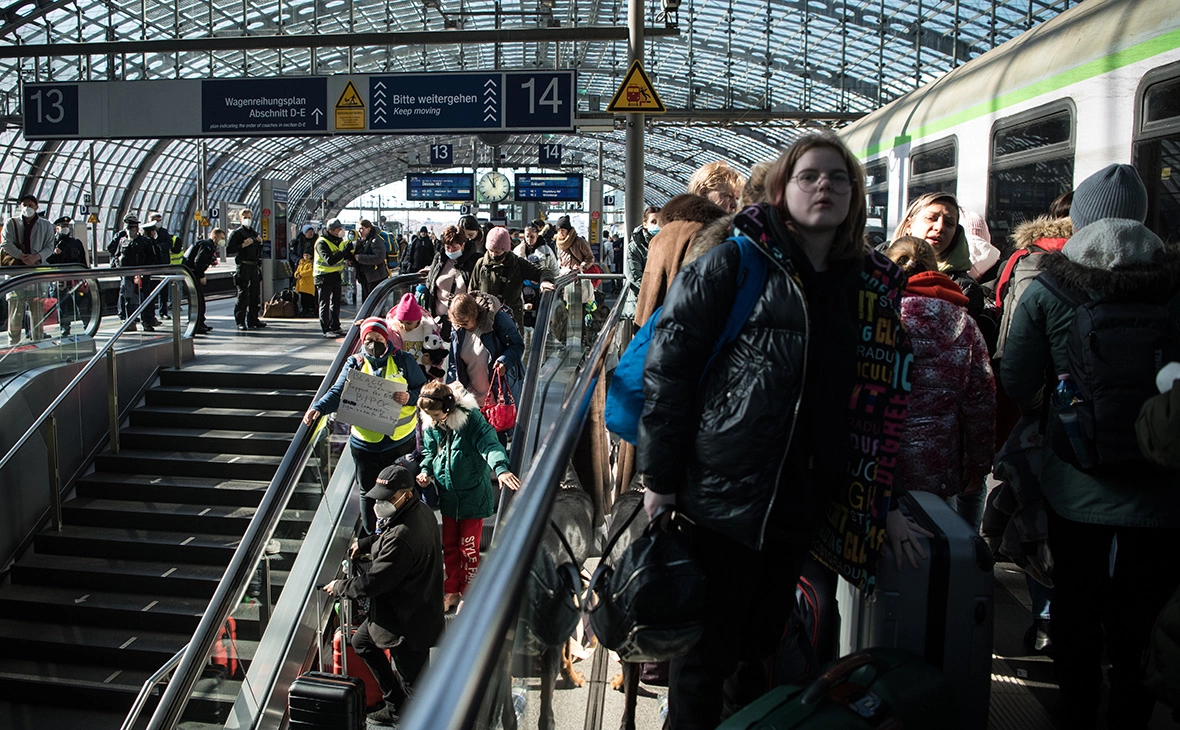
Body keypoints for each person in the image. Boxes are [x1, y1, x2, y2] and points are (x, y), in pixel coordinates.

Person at [635, 134, 926, 729]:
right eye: (809, 176)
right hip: (722, 496)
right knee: (704, 661)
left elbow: (877, 404)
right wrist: (659, 480)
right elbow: (670, 372)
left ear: (855, 197)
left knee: (763, 645)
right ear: (780, 191)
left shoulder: (867, 287)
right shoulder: (734, 262)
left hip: (801, 498)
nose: (825, 186)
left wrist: (886, 502)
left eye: (838, 178)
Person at [1001, 164, 1180, 729]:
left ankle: (1076, 706)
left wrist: (1054, 411)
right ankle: (1131, 708)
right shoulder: (1173, 284)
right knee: (1144, 604)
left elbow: (1017, 377)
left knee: (1077, 595)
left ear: (1077, 218)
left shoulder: (1051, 284)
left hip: (1073, 478)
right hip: (1162, 485)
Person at [884, 236, 995, 529]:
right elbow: (981, 400)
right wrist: (978, 464)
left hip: (881, 458)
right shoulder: (965, 324)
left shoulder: (878, 316)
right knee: (936, 546)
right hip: (939, 461)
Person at [323, 464, 444, 727]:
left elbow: (374, 581)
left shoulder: (404, 536)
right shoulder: (419, 512)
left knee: (417, 685)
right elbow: (385, 537)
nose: (379, 504)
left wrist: (340, 587)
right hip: (404, 609)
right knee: (362, 642)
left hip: (408, 624)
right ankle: (396, 706)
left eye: (386, 498)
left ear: (406, 495)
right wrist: (365, 544)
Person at [303, 317, 428, 536]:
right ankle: (373, 537)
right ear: (363, 340)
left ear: (386, 338)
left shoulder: (403, 361)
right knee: (367, 491)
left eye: (378, 338)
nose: (373, 343)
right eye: (369, 339)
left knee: (401, 489)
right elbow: (337, 392)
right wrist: (318, 408)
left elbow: (423, 390)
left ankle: (404, 532)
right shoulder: (355, 363)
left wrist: (409, 397)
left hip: (398, 443)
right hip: (365, 445)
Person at [416, 381, 520, 612]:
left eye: (435, 414)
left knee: (468, 547)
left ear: (448, 408)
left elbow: (488, 443)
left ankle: (469, 592)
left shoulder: (470, 419)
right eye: (428, 415)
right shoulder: (433, 424)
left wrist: (500, 468)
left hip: (473, 495)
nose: (432, 419)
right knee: (450, 546)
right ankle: (452, 589)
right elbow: (429, 452)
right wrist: (425, 471)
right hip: (449, 497)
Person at [892, 192, 998, 350]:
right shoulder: (876, 264)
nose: (940, 227)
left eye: (949, 223)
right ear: (909, 224)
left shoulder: (964, 288)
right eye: (931, 218)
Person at [446, 291, 524, 406]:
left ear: (475, 313)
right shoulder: (458, 330)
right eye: (457, 324)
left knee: (505, 423)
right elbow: (454, 364)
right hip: (472, 399)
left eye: (465, 323)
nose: (461, 327)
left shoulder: (498, 320)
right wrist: (451, 389)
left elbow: (518, 345)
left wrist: (504, 361)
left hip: (501, 394)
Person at [471, 227, 556, 333]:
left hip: (511, 320)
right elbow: (472, 291)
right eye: (490, 251)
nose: (493, 255)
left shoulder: (517, 264)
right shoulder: (481, 264)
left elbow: (542, 271)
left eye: (497, 252)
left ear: (505, 250)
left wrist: (545, 281)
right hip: (486, 319)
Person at [3, 193, 55, 345]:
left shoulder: (46, 225)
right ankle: (14, 346)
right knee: (15, 313)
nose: (27, 208)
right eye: (24, 205)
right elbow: (5, 244)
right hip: (16, 275)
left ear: (37, 207)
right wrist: (22, 256)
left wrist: (36, 257)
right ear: (20, 207)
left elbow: (50, 246)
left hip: (36, 274)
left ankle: (38, 343)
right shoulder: (11, 223)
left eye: (30, 205)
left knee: (37, 313)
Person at [422, 225, 478, 338]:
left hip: (463, 324)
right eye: (447, 247)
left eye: (454, 247)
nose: (451, 250)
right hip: (438, 321)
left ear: (463, 245)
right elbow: (431, 284)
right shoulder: (439, 259)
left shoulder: (474, 262)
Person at [46, 216, 89, 337]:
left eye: (66, 226)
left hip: (75, 279)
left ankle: (87, 325)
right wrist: (54, 253)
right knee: (62, 305)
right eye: (62, 226)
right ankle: (65, 328)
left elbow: (82, 261)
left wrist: (85, 276)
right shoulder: (51, 244)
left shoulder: (75, 243)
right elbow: (47, 261)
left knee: (81, 303)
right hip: (59, 280)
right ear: (57, 228)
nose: (65, 228)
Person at [110, 215, 154, 332]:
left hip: (142, 276)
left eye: (132, 228)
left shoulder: (145, 242)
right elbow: (116, 256)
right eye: (128, 228)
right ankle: (130, 322)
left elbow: (151, 259)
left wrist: (145, 273)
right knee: (128, 299)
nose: (130, 231)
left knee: (145, 299)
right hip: (127, 275)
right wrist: (118, 267)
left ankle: (147, 322)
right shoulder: (122, 241)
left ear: (137, 229)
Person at [387, 292, 445, 379]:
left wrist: (431, 360)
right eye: (401, 322)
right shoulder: (394, 330)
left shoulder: (429, 329)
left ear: (418, 320)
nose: (404, 326)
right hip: (402, 374)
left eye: (409, 323)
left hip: (424, 374)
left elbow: (440, 351)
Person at [226, 208, 265, 331]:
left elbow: (259, 251)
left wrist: (260, 243)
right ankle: (240, 321)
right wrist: (242, 245)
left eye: (249, 217)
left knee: (255, 294)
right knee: (243, 294)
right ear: (240, 219)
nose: (247, 220)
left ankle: (253, 319)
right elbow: (229, 249)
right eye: (245, 217)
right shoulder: (237, 233)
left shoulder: (254, 233)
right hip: (243, 266)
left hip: (254, 266)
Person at [621, 206, 661, 320]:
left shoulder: (668, 244)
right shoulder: (635, 247)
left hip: (662, 303)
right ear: (645, 224)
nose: (657, 225)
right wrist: (657, 290)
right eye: (653, 221)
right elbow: (634, 276)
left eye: (660, 222)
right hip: (639, 301)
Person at [314, 219, 351, 338]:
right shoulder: (322, 242)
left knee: (336, 302)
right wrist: (345, 251)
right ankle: (326, 328)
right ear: (330, 231)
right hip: (323, 276)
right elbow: (329, 260)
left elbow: (343, 255)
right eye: (338, 229)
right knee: (324, 302)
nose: (341, 231)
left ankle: (336, 326)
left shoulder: (339, 240)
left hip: (336, 275)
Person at [183, 227, 221, 335]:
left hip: (190, 272)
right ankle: (197, 324)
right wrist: (201, 276)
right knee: (197, 299)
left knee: (199, 299)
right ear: (214, 237)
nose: (223, 240)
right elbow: (198, 261)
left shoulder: (208, 245)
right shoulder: (207, 245)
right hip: (192, 273)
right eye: (221, 238)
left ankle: (200, 322)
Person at [150, 211, 182, 317]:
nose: (158, 222)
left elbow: (169, 243)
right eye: (156, 220)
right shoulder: (146, 231)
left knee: (163, 289)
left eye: (160, 220)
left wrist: (159, 247)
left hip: (164, 263)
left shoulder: (164, 232)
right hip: (152, 264)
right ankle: (149, 313)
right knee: (150, 290)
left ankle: (163, 312)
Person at [351, 219, 390, 304]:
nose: (359, 231)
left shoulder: (376, 240)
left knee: (374, 303)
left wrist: (360, 258)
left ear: (368, 228)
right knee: (367, 302)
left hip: (376, 277)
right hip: (366, 276)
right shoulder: (363, 240)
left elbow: (379, 257)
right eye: (358, 229)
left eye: (362, 229)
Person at [139, 220, 166, 328]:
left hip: (152, 273)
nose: (155, 233)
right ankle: (146, 321)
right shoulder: (146, 242)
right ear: (150, 232)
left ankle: (151, 318)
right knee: (147, 298)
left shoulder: (151, 242)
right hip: (147, 274)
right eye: (154, 231)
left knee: (151, 298)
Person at [293, 252, 316, 318]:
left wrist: (301, 274)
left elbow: (311, 271)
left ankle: (310, 311)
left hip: (308, 284)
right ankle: (304, 311)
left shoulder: (311, 263)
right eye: (304, 255)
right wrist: (296, 274)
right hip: (301, 284)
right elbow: (297, 270)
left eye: (307, 255)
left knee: (309, 298)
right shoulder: (301, 263)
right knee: (303, 299)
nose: (305, 256)